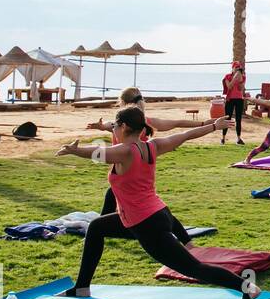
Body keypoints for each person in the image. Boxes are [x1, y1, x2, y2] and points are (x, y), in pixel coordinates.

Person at [56, 106, 260, 299]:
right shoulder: (152, 146)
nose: (113, 130)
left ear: (124, 127)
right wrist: (214, 127)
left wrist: (76, 150)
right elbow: (186, 135)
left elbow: (99, 153)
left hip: (147, 223)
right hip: (155, 214)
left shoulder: (125, 151)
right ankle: (82, 287)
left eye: (114, 126)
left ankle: (247, 288)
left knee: (194, 268)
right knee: (97, 227)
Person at [86, 87, 204, 243]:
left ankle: (183, 241)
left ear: (123, 102)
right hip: (132, 174)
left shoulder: (126, 124)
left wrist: (76, 149)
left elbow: (178, 125)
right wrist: (207, 124)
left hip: (128, 177)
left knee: (150, 211)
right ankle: (186, 242)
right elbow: (178, 125)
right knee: (106, 218)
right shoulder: (135, 122)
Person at [220, 62, 247, 145]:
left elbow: (241, 88)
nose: (237, 70)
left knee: (239, 120)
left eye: (239, 68)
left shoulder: (243, 77)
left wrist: (241, 79)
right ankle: (223, 138)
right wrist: (235, 78)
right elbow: (230, 86)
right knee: (227, 118)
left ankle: (239, 139)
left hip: (239, 99)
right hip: (230, 99)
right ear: (232, 68)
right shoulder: (227, 76)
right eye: (236, 68)